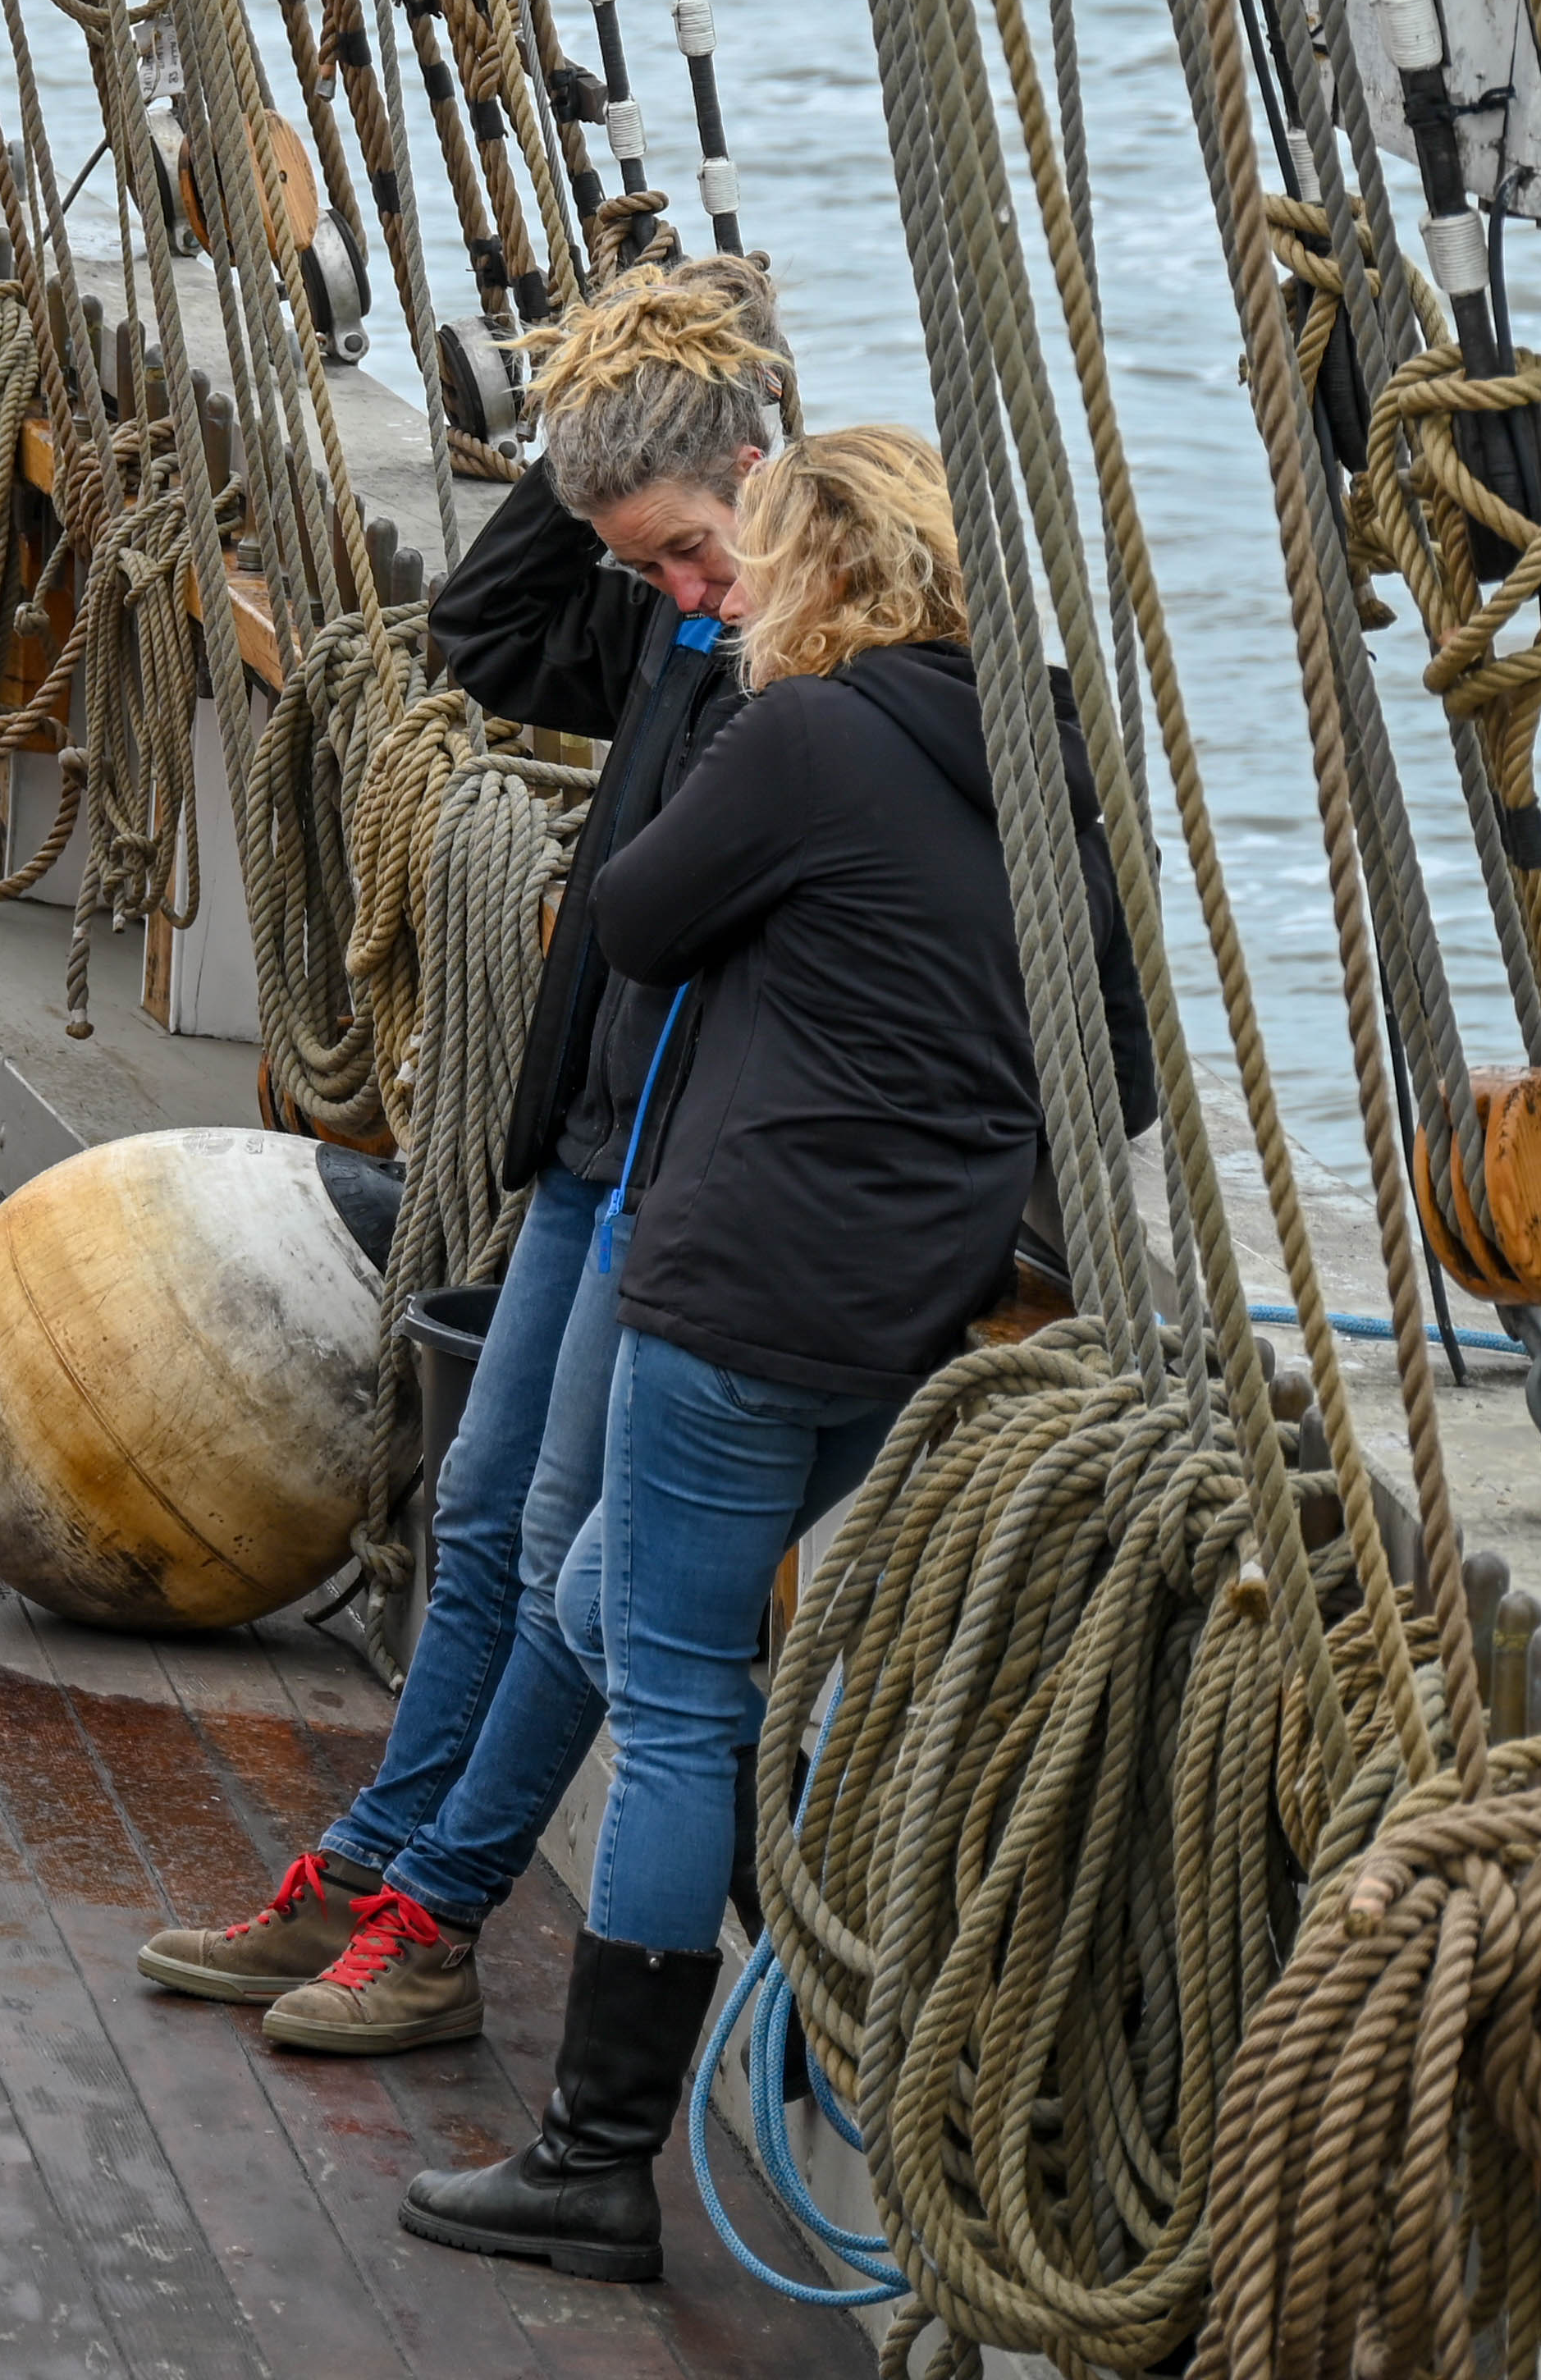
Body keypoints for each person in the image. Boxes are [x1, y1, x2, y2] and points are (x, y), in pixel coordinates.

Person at [396, 426, 1149, 2285]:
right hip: (907, 1305)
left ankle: (592, 2157)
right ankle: (804, 1982)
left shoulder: (806, 732)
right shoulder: (1048, 752)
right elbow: (1116, 1066)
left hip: (738, 1279)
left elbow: (635, 916)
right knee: (604, 1595)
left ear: (818, 568)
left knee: (672, 1698)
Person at [138, 259, 785, 2055]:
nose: (678, 587)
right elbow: (490, 632)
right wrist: (597, 432)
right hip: (584, 1142)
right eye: (649, 562)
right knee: (483, 1508)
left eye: (689, 549)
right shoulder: (676, 623)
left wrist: (684, 525)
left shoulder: (803, 671)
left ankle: (432, 1914)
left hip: (672, 1178)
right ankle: (370, 1866)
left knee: (563, 1548)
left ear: (761, 473)